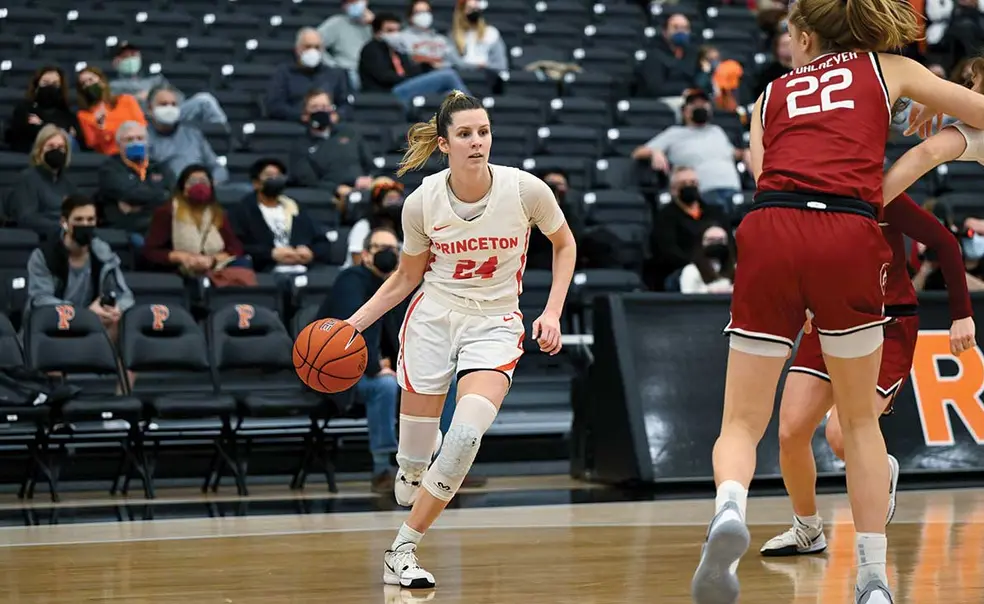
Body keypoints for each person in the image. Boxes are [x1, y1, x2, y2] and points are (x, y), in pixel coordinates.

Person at [690, 1, 984, 603]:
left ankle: (729, 509)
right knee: (858, 424)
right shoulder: (888, 67)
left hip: (771, 227)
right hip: (847, 231)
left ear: (802, 36)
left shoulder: (768, 95)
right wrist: (944, 118)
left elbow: (764, 174)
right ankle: (873, 580)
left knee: (741, 423)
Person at [342, 91, 576, 589]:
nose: (477, 142)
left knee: (466, 435)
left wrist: (552, 311)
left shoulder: (526, 190)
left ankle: (402, 549)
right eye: (465, 134)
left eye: (483, 132)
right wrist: (352, 326)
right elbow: (406, 278)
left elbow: (565, 243)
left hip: (495, 323)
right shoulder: (421, 202)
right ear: (445, 144)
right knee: (411, 471)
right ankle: (412, 468)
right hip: (433, 318)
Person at [760, 191, 975, 558]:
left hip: (887, 324)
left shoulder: (882, 192)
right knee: (791, 431)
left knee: (841, 433)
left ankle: (879, 475)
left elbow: (944, 241)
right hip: (830, 319)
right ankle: (807, 528)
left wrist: (961, 314)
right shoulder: (808, 194)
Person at [25, 195, 134, 341]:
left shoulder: (102, 253)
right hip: (54, 325)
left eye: (90, 220)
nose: (85, 224)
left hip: (92, 325)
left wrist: (115, 309)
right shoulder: (44, 255)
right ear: (64, 222)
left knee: (115, 323)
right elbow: (40, 299)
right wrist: (84, 314)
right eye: (79, 220)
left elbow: (125, 296)